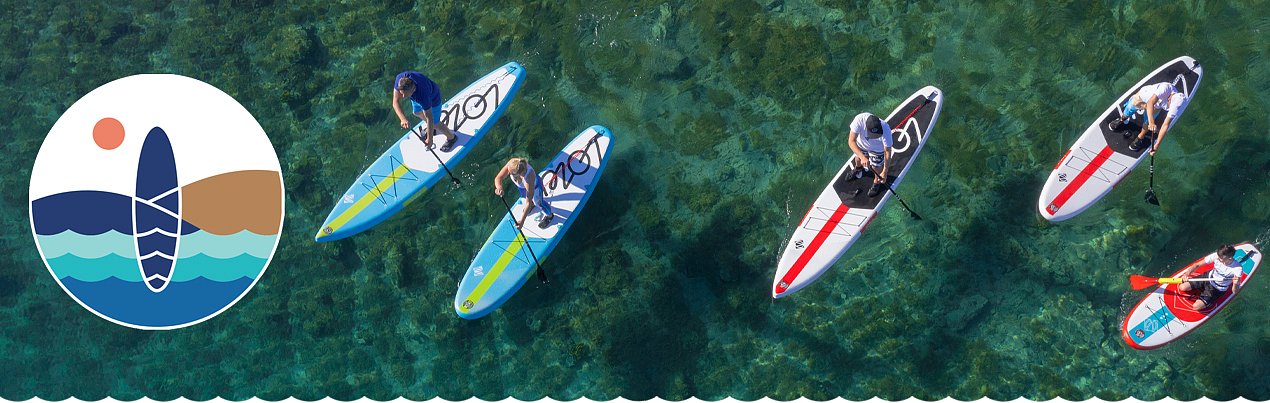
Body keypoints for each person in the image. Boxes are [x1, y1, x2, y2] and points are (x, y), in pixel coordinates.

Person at [1107, 82, 1190, 155]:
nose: (1168, 106)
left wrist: (1156, 145)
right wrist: (1151, 122)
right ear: (1170, 98)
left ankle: (1140, 137)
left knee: (1147, 124)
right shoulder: (1166, 87)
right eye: (1169, 103)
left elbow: (1166, 125)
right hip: (1144, 97)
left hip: (1155, 107)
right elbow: (1150, 102)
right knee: (1129, 110)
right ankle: (1121, 120)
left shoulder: (1176, 107)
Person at [392, 71, 459, 152]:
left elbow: (429, 117)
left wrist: (430, 139)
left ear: (413, 89)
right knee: (416, 112)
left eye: (405, 94)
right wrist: (403, 119)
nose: (402, 96)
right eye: (401, 93)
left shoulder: (422, 96)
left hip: (433, 98)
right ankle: (432, 128)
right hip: (415, 98)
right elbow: (395, 102)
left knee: (435, 123)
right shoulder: (400, 79)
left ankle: (451, 138)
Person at [846, 112, 901, 197]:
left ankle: (876, 182)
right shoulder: (859, 120)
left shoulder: (886, 130)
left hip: (877, 150)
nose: (875, 136)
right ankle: (858, 168)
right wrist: (862, 157)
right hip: (862, 144)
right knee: (857, 159)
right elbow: (851, 141)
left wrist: (885, 171)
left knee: (876, 166)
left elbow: (887, 151)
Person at [1176, 245, 1244, 311]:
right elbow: (1197, 265)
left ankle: (1210, 301)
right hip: (1207, 277)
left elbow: (1235, 292)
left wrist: (1235, 284)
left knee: (1195, 307)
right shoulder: (1217, 256)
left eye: (1221, 259)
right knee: (1182, 287)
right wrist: (1187, 274)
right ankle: (1203, 291)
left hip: (1217, 288)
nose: (1218, 258)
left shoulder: (1237, 269)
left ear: (1230, 258)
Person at [494, 157, 555, 229]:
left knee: (538, 203)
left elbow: (528, 202)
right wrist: (499, 187)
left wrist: (522, 221)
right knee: (525, 197)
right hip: (522, 187)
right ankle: (532, 206)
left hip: (535, 188)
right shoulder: (512, 163)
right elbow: (498, 178)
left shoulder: (528, 178)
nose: (508, 173)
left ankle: (550, 216)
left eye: (510, 173)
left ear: (519, 174)